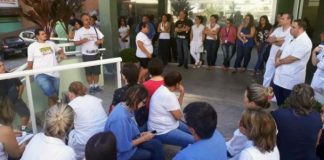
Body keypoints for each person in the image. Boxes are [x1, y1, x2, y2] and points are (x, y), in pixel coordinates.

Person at [104, 85, 165, 160]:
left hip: (129, 142)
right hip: (121, 154)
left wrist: (140, 135)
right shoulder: (120, 118)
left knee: (157, 144)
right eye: (144, 102)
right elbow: (122, 147)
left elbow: (127, 132)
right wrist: (143, 139)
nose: (144, 105)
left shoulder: (126, 107)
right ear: (136, 100)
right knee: (148, 154)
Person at [271, 84, 322, 159]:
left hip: (282, 156)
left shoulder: (278, 114)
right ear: (311, 99)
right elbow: (316, 143)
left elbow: (270, 139)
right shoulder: (317, 118)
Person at [148, 71, 194, 148]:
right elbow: (178, 116)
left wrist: (182, 93)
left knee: (195, 131)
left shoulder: (162, 88)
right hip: (162, 131)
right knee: (195, 140)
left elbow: (176, 108)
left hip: (166, 125)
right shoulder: (169, 95)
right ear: (177, 84)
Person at [227, 83, 273, 159]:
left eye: (245, 97)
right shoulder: (269, 118)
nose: (243, 98)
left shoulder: (247, 120)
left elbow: (234, 147)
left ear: (252, 103)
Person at [273, 19, 312, 106]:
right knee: (279, 101)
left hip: (291, 79)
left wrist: (279, 62)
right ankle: (281, 115)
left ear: (300, 29)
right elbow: (280, 50)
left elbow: (293, 58)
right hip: (279, 76)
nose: (291, 29)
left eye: (293, 27)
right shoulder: (290, 37)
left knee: (288, 104)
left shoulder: (305, 42)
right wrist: (277, 58)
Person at [66, 81, 107, 160]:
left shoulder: (72, 104)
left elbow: (67, 124)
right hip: (103, 136)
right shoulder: (95, 99)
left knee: (70, 133)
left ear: (70, 94)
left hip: (86, 142)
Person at [27, 28, 65, 107]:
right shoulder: (32, 46)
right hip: (41, 74)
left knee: (51, 97)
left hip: (55, 73)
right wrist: (30, 73)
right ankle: (60, 102)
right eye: (42, 34)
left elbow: (59, 50)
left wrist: (61, 54)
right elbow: (30, 62)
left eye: (45, 34)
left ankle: (53, 113)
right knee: (50, 91)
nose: (45, 35)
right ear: (37, 36)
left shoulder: (51, 43)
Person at [74, 13, 104, 94]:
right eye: (86, 19)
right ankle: (91, 86)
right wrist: (82, 41)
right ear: (82, 21)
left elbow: (102, 38)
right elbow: (75, 43)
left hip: (96, 54)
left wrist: (100, 41)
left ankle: (96, 86)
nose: (88, 21)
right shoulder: (79, 31)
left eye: (89, 19)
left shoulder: (95, 29)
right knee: (88, 72)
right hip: (87, 55)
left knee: (97, 71)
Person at [263, 12, 292, 87]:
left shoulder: (291, 31)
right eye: (280, 18)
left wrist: (275, 40)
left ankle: (274, 96)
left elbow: (283, 44)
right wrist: (279, 39)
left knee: (278, 78)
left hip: (282, 58)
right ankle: (264, 93)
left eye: (283, 19)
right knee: (267, 75)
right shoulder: (278, 29)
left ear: (289, 20)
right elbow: (269, 40)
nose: (280, 20)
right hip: (272, 56)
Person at [0, 60, 30, 132]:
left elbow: (21, 85)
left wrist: (19, 96)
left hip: (15, 99)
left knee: (26, 113)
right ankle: (11, 134)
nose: (3, 67)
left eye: (3, 65)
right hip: (3, 102)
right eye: (0, 66)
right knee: (6, 120)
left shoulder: (10, 75)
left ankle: (23, 129)